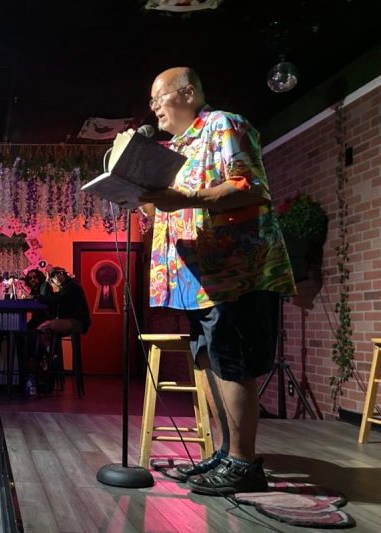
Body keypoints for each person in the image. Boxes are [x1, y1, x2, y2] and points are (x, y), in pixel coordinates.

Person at [139, 67, 296, 495]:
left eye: (158, 98)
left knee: (232, 361)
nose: (153, 108)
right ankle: (227, 453)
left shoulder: (223, 124)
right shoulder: (173, 149)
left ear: (188, 93)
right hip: (194, 277)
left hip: (233, 270)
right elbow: (165, 208)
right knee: (208, 359)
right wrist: (142, 196)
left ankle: (245, 462)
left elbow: (250, 187)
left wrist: (184, 198)